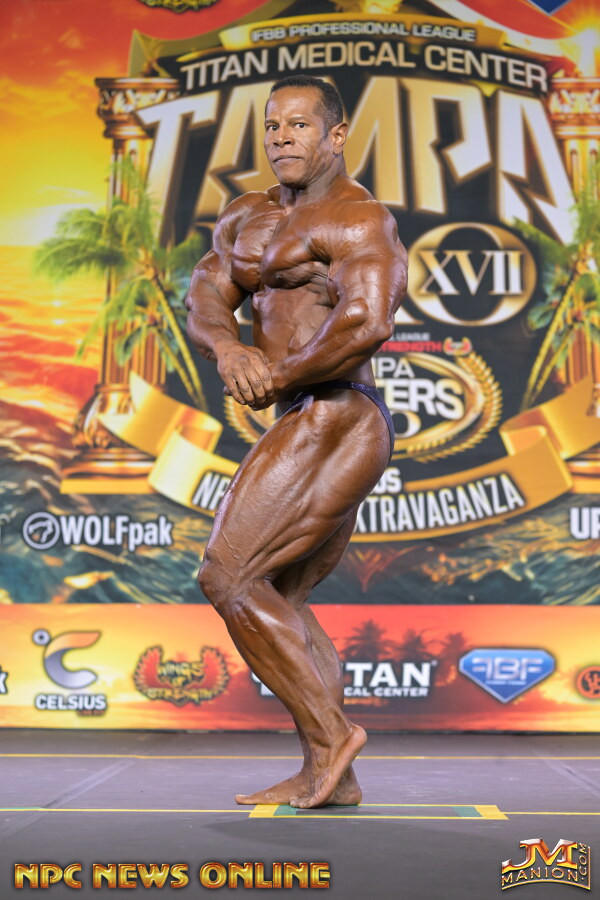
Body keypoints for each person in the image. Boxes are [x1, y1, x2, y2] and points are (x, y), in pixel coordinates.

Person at [186, 74, 407, 809]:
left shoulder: (358, 218)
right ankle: (332, 776)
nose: (282, 137)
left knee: (227, 575)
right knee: (279, 592)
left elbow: (366, 321)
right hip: (303, 414)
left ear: (336, 136)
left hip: (339, 411)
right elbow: (207, 293)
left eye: (299, 125)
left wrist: (275, 371)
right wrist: (229, 350)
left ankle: (331, 738)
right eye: (272, 126)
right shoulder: (246, 216)